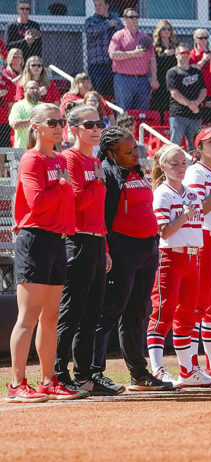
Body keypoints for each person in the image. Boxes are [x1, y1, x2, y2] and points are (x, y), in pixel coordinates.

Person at [7, 103, 82, 403]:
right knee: (28, 316)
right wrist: (63, 184)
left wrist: (63, 185)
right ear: (35, 127)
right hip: (34, 238)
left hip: (55, 239)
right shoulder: (31, 158)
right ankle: (16, 384)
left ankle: (48, 381)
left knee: (51, 317)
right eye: (51, 121)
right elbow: (37, 202)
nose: (58, 125)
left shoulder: (59, 159)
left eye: (60, 121)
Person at [92, 126, 172, 392]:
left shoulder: (136, 171)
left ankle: (139, 374)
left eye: (135, 148)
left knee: (137, 313)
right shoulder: (109, 174)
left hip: (146, 249)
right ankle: (93, 372)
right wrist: (106, 250)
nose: (135, 153)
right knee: (111, 310)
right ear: (113, 153)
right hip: (121, 250)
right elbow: (104, 215)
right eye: (128, 151)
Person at [55, 105, 113, 394]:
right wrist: (99, 185)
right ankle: (58, 373)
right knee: (72, 311)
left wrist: (104, 247)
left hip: (95, 240)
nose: (95, 128)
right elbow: (76, 200)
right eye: (88, 124)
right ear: (74, 129)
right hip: (75, 240)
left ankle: (84, 374)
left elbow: (98, 210)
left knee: (92, 313)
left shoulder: (95, 162)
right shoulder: (70, 158)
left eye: (98, 123)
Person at [146, 143, 208, 387]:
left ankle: (187, 370)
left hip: (193, 255)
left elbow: (197, 223)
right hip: (171, 256)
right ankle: (158, 369)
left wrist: (187, 214)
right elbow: (165, 231)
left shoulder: (191, 193)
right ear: (163, 166)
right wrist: (183, 215)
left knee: (187, 314)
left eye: (183, 162)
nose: (181, 167)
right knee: (163, 311)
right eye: (175, 163)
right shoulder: (161, 193)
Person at [180, 127, 211, 377]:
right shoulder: (196, 172)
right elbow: (198, 209)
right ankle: (190, 366)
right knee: (197, 306)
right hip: (206, 240)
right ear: (199, 148)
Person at [108, 8, 157, 111]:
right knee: (123, 111)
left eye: (136, 17)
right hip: (124, 79)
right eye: (131, 17)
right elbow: (113, 55)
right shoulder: (118, 36)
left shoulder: (144, 37)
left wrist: (154, 78)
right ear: (125, 20)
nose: (134, 19)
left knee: (143, 113)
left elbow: (152, 59)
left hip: (143, 80)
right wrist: (133, 54)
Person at [166, 42, 206, 149]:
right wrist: (189, 104)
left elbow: (203, 90)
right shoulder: (172, 72)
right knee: (175, 145)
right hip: (179, 114)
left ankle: (194, 165)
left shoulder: (197, 71)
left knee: (195, 146)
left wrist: (196, 103)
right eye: (182, 52)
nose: (185, 55)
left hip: (195, 115)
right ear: (176, 55)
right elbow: (174, 93)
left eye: (187, 52)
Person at [86, 0, 122, 96]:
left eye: (100, 5)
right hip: (97, 65)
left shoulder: (116, 21)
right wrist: (107, 24)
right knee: (98, 93)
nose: (97, 7)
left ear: (107, 5)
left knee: (113, 93)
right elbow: (91, 31)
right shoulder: (91, 21)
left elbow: (122, 35)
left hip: (113, 64)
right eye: (95, 5)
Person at [189, 28, 211, 125]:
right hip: (199, 90)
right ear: (195, 39)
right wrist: (204, 60)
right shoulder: (193, 53)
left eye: (206, 38)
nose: (204, 40)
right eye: (201, 38)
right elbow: (192, 69)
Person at [151, 20, 177, 115]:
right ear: (159, 31)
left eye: (168, 29)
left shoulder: (175, 46)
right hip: (161, 80)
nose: (166, 31)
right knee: (160, 106)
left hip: (174, 80)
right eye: (163, 29)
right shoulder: (155, 47)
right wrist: (164, 55)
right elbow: (153, 62)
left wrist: (175, 54)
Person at [9, 79, 41, 149]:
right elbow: (15, 124)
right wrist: (35, 121)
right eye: (32, 88)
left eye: (37, 88)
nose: (35, 90)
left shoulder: (44, 106)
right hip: (22, 149)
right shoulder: (18, 106)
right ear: (25, 90)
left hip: (41, 149)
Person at [0, 57, 16, 150]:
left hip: (4, 121)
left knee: (3, 150)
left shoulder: (8, 83)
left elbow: (11, 105)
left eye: (1, 63)